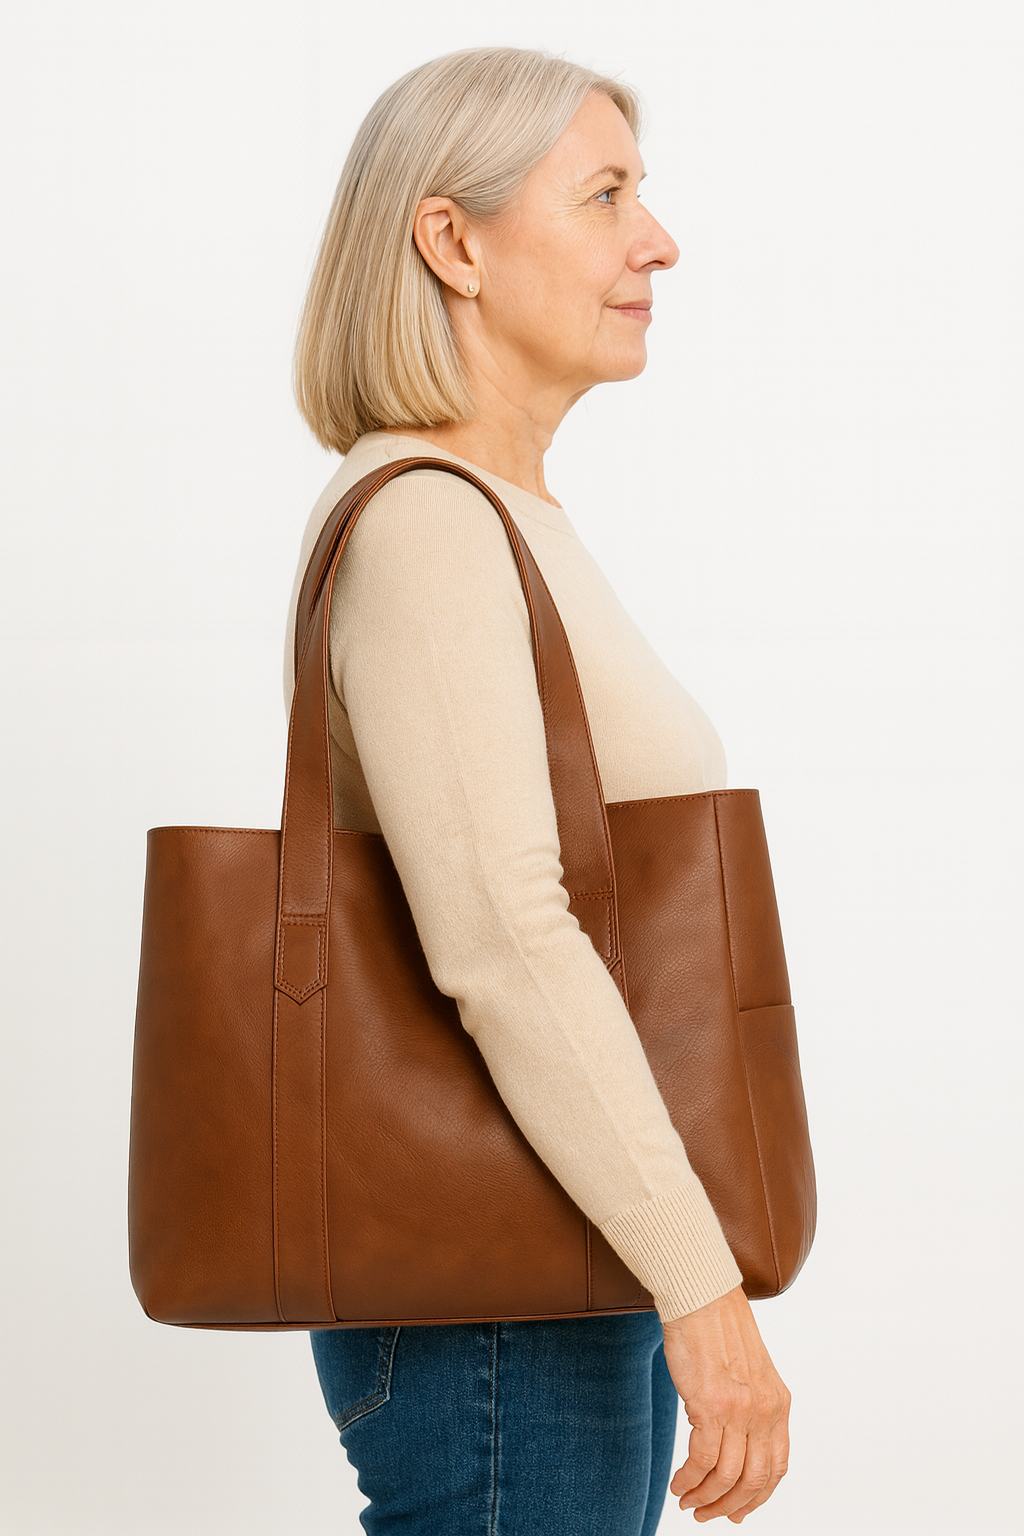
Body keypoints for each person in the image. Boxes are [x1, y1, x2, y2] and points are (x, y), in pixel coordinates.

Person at [286, 46, 790, 1534]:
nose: (659, 241)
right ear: (453, 243)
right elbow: (503, 938)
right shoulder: (428, 522)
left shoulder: (502, 514)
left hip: (552, 1265)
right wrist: (701, 1287)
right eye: (606, 195)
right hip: (495, 1300)